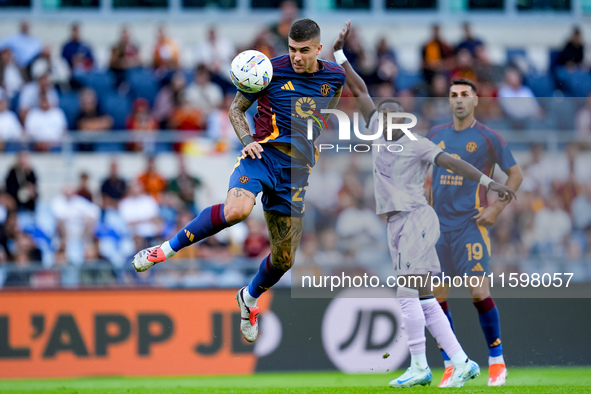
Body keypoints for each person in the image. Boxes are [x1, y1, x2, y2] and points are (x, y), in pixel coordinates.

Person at [132, 18, 345, 343]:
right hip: (261, 157)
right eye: (291, 49)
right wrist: (246, 138)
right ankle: (164, 250)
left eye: (303, 51)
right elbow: (235, 110)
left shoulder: (335, 76)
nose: (296, 57)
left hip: (295, 174)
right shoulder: (268, 71)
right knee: (238, 211)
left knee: (284, 260)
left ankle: (248, 298)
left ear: (318, 48)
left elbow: (323, 111)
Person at [334, 21, 516, 389]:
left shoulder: (417, 143)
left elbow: (453, 163)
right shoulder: (379, 136)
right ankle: (462, 361)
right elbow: (358, 87)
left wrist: (488, 181)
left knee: (407, 294)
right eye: (379, 117)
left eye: (389, 116)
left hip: (416, 220)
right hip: (397, 223)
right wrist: (339, 54)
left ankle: (420, 365)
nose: (382, 121)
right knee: (425, 297)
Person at [427, 78, 524, 387]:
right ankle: (451, 364)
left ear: (475, 100)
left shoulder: (488, 137)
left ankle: (496, 361)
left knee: (477, 290)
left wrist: (496, 208)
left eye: (464, 95)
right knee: (436, 298)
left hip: (471, 225)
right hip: (438, 229)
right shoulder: (435, 134)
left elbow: (516, 173)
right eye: (453, 95)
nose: (458, 100)